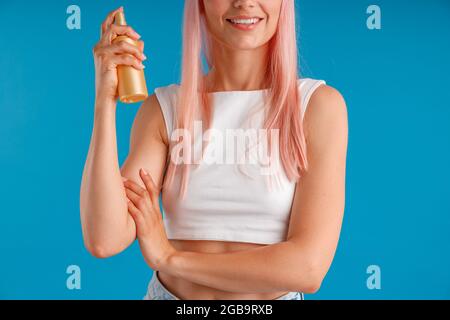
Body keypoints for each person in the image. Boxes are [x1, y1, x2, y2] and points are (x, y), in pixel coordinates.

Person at [80, 0, 348, 300]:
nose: (246, 2)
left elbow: (307, 269)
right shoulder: (165, 109)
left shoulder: (317, 107)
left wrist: (170, 258)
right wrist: (105, 101)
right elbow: (105, 238)